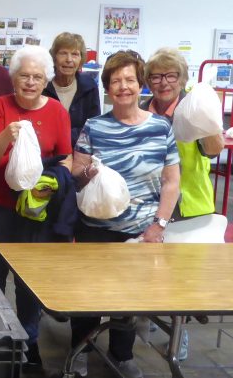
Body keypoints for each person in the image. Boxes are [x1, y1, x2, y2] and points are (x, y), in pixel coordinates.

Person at [69, 51, 180, 378]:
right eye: (115, 80)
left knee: (130, 296)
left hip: (141, 229)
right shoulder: (95, 125)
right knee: (87, 295)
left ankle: (122, 354)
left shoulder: (161, 127)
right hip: (95, 227)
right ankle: (81, 349)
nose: (123, 86)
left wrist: (158, 225)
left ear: (140, 83)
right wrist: (89, 171)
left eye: (129, 79)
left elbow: (171, 181)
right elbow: (77, 171)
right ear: (107, 87)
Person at [0, 45, 73, 372]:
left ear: (46, 79)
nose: (30, 82)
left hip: (36, 211)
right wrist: (6, 136)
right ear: (12, 78)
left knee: (29, 282)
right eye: (23, 76)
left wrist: (51, 183)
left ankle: (29, 342)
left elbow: (66, 158)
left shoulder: (57, 111)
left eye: (37, 77)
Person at [142, 48, 224, 363]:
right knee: (149, 268)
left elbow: (213, 149)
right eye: (156, 76)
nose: (163, 82)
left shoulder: (193, 107)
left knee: (183, 276)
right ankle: (145, 318)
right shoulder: (142, 109)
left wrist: (206, 122)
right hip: (150, 202)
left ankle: (179, 332)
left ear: (182, 78)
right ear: (148, 80)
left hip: (190, 204)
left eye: (171, 75)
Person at [42, 32, 101, 146]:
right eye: (63, 53)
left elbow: (94, 126)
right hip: (47, 153)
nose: (69, 59)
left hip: (81, 151)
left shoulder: (89, 85)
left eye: (75, 54)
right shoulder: (43, 85)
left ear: (81, 59)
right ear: (54, 58)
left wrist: (64, 137)